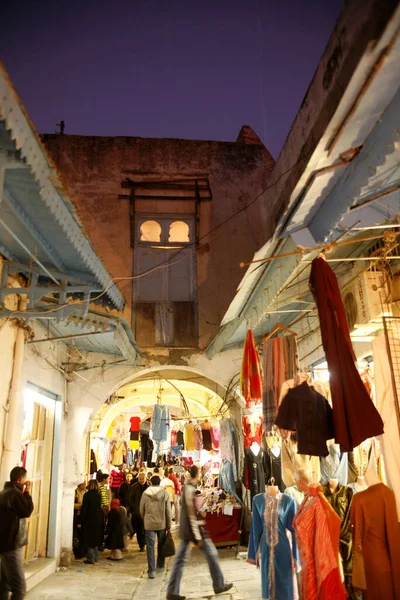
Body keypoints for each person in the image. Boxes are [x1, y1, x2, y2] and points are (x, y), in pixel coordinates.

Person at [167, 465, 232, 600]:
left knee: (180, 560)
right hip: (192, 531)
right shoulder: (189, 489)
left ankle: (172, 591)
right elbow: (191, 514)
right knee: (211, 554)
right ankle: (218, 585)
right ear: (197, 474)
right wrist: (197, 537)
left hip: (188, 530)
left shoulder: (188, 487)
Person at [0, 466, 34, 600]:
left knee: (4, 583)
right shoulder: (14, 494)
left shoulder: (4, 492)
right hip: (11, 544)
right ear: (20, 479)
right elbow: (26, 510)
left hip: (6, 542)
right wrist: (28, 492)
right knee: (19, 588)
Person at [140, 475, 172, 579]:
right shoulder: (164, 493)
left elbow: (141, 509)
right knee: (161, 544)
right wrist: (169, 524)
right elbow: (168, 510)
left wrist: (145, 518)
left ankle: (151, 571)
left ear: (150, 482)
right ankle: (160, 566)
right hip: (161, 523)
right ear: (159, 483)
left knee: (150, 546)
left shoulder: (145, 493)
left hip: (149, 523)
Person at [80, 479, 103, 564]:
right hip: (97, 518)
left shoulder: (87, 495)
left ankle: (90, 558)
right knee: (95, 537)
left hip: (89, 519)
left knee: (88, 538)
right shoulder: (98, 495)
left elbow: (84, 509)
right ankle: (96, 556)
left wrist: (80, 521)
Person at [129, 471, 149, 552]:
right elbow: (130, 499)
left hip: (147, 512)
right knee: (139, 529)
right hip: (137, 512)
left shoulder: (149, 486)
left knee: (146, 529)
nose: (141, 480)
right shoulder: (134, 487)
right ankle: (141, 545)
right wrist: (133, 509)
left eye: (142, 479)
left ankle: (145, 542)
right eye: (140, 479)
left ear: (145, 478)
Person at [73, 481, 87, 559]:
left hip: (84, 516)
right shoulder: (75, 492)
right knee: (76, 534)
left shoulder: (86, 492)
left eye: (85, 484)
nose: (84, 486)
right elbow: (73, 504)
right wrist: (82, 506)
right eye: (82, 485)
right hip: (77, 515)